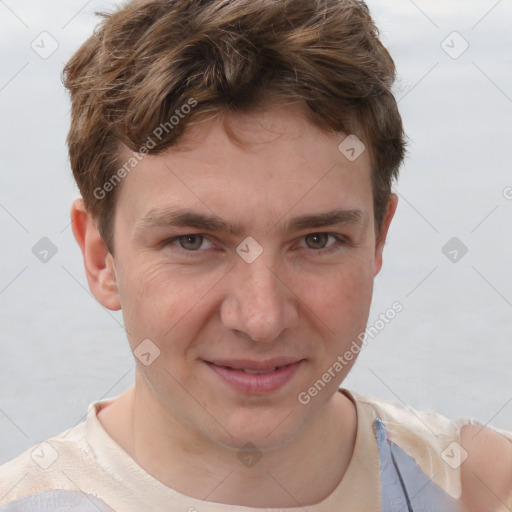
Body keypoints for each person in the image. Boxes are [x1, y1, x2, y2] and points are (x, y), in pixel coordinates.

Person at [1, 0, 511, 510]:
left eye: (317, 240)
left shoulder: (482, 489)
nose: (262, 319)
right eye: (192, 242)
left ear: (378, 239)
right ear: (100, 258)